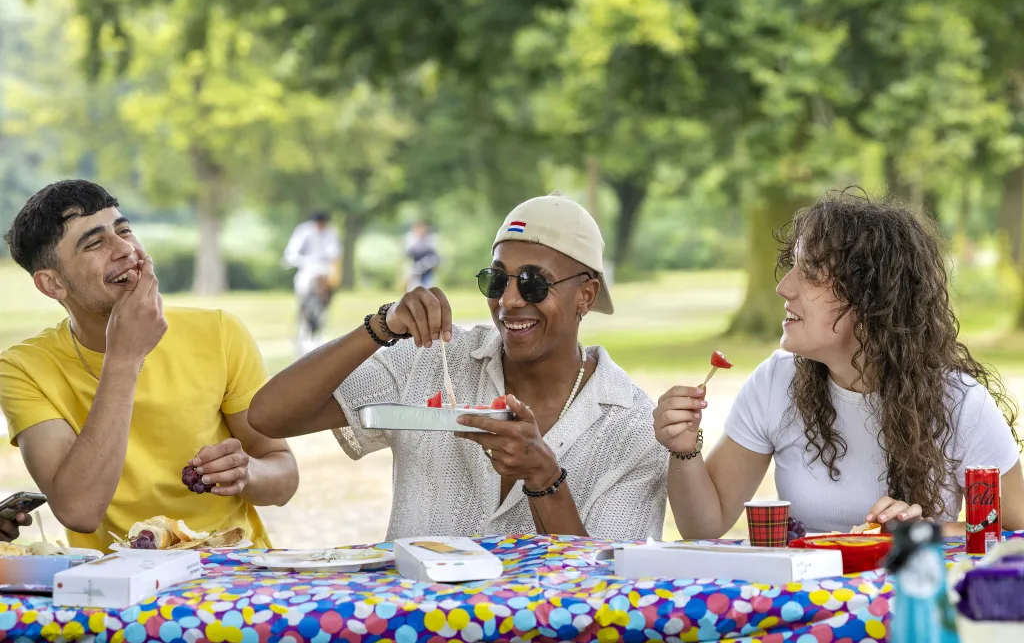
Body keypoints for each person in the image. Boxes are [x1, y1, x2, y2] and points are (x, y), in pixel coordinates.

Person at [249, 191, 667, 541]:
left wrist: (545, 478)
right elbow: (268, 417)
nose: (509, 301)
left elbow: (599, 595)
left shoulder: (633, 427)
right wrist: (381, 326)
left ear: (586, 296)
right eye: (497, 279)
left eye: (533, 283)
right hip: (416, 630)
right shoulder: (434, 358)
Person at [655, 189, 1024, 537]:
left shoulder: (959, 402)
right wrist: (685, 449)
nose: (784, 287)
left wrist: (924, 530)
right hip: (806, 604)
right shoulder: (774, 382)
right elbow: (705, 526)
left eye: (811, 272)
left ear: (872, 295)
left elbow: (1014, 526)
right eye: (792, 267)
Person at [0, 180, 298, 552]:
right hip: (113, 586)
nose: (126, 249)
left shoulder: (219, 331)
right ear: (52, 284)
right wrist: (125, 356)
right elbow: (79, 510)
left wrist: (247, 472)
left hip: (230, 574)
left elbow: (284, 476)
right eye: (95, 243)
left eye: (124, 230)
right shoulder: (23, 367)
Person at [282, 210, 342, 355]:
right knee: (303, 295)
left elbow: (335, 254)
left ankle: (320, 333)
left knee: (326, 300)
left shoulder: (331, 233)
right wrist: (308, 263)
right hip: (307, 269)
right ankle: (302, 335)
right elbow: (291, 254)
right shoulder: (304, 231)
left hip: (325, 271)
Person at [404, 220, 440, 291]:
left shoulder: (430, 238)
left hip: (427, 266)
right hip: (415, 266)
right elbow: (409, 253)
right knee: (413, 288)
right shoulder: (410, 238)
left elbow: (434, 254)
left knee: (428, 286)